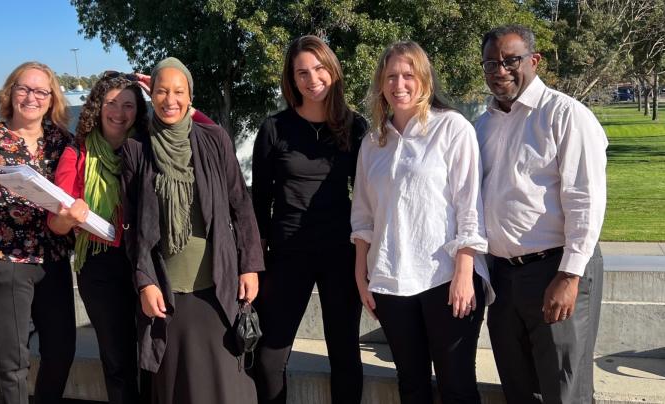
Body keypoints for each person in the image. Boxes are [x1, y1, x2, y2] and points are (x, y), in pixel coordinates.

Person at [351, 41, 493, 404]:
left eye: (408, 75)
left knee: (457, 385)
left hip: (445, 278)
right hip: (390, 281)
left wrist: (465, 272)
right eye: (391, 77)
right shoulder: (372, 143)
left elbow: (469, 207)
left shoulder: (452, 128)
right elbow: (364, 214)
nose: (400, 84)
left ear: (424, 80)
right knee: (411, 385)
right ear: (381, 84)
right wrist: (360, 274)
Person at [475, 25, 607, 404]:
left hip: (555, 270)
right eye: (490, 63)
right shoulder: (483, 126)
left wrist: (569, 276)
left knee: (565, 391)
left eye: (510, 60)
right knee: (519, 390)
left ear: (534, 60)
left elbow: (587, 199)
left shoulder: (566, 116)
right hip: (503, 278)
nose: (500, 70)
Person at [121, 57, 264, 404]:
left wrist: (250, 266)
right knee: (176, 384)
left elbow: (240, 204)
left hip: (218, 285)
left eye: (178, 91)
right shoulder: (136, 148)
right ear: (150, 95)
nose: (170, 100)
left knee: (226, 384)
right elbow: (132, 224)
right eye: (161, 91)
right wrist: (145, 281)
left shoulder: (213, 140)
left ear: (189, 96)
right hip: (168, 291)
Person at [251, 35, 367, 404]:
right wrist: (255, 260)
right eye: (302, 72)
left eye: (319, 68)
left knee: (345, 354)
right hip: (288, 253)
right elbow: (259, 200)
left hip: (340, 253)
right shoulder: (274, 128)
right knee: (270, 356)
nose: (311, 78)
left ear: (332, 70)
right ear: (292, 79)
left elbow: (368, 196)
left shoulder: (355, 127)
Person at [0, 61, 76, 404]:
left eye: (41, 91)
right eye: (24, 88)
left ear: (52, 99)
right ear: (11, 92)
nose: (31, 97)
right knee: (13, 365)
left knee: (62, 351)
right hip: (4, 262)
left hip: (52, 261)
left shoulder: (63, 142)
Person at [48, 72, 149, 403]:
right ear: (97, 106)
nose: (119, 112)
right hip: (100, 266)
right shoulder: (77, 153)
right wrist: (67, 217)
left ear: (139, 110)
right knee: (117, 359)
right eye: (111, 103)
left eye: (128, 105)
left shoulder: (149, 148)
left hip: (148, 261)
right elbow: (56, 224)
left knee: (153, 355)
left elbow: (206, 134)